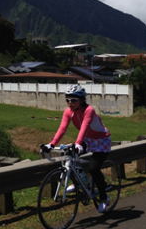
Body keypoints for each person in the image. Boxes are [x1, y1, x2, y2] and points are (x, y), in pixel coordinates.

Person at [41, 84, 111, 213]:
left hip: (101, 140)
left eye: (73, 100)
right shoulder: (68, 112)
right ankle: (80, 182)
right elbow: (62, 128)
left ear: (81, 99)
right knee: (71, 155)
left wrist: (78, 143)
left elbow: (84, 127)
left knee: (93, 169)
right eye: (67, 99)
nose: (69, 103)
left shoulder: (88, 110)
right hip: (87, 140)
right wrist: (51, 144)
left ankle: (103, 197)